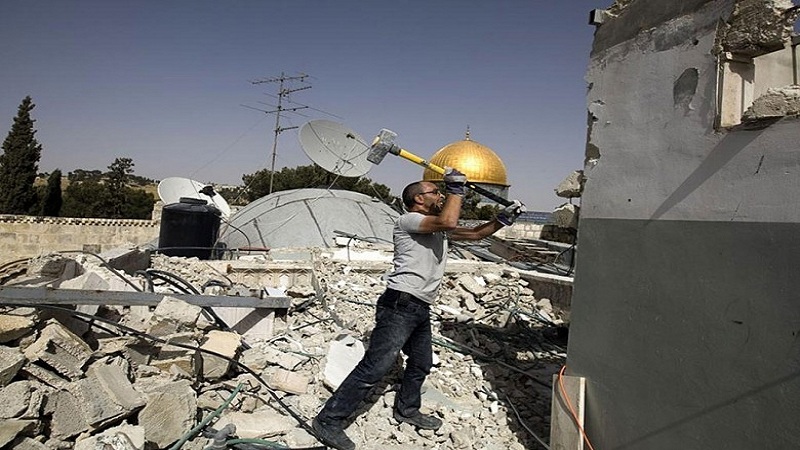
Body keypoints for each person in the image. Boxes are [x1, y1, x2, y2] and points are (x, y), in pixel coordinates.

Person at [312, 168, 524, 450]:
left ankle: (407, 409)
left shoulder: (437, 229)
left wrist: (502, 219)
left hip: (418, 306)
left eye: (441, 192)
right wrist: (456, 190)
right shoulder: (409, 220)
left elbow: (475, 234)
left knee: (421, 362)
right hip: (400, 304)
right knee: (376, 366)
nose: (440, 196)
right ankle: (328, 420)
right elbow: (449, 220)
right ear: (418, 199)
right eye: (435, 192)